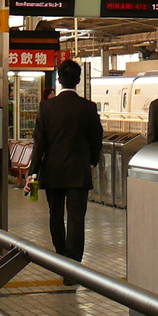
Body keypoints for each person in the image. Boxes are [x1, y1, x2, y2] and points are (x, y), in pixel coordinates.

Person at [25, 59, 104, 284]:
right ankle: (73, 266)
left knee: (56, 215)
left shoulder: (46, 107)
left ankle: (60, 257)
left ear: (59, 80)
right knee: (77, 218)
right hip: (78, 172)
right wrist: (92, 161)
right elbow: (97, 138)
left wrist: (33, 173)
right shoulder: (88, 107)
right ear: (78, 80)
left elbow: (39, 143)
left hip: (53, 171)